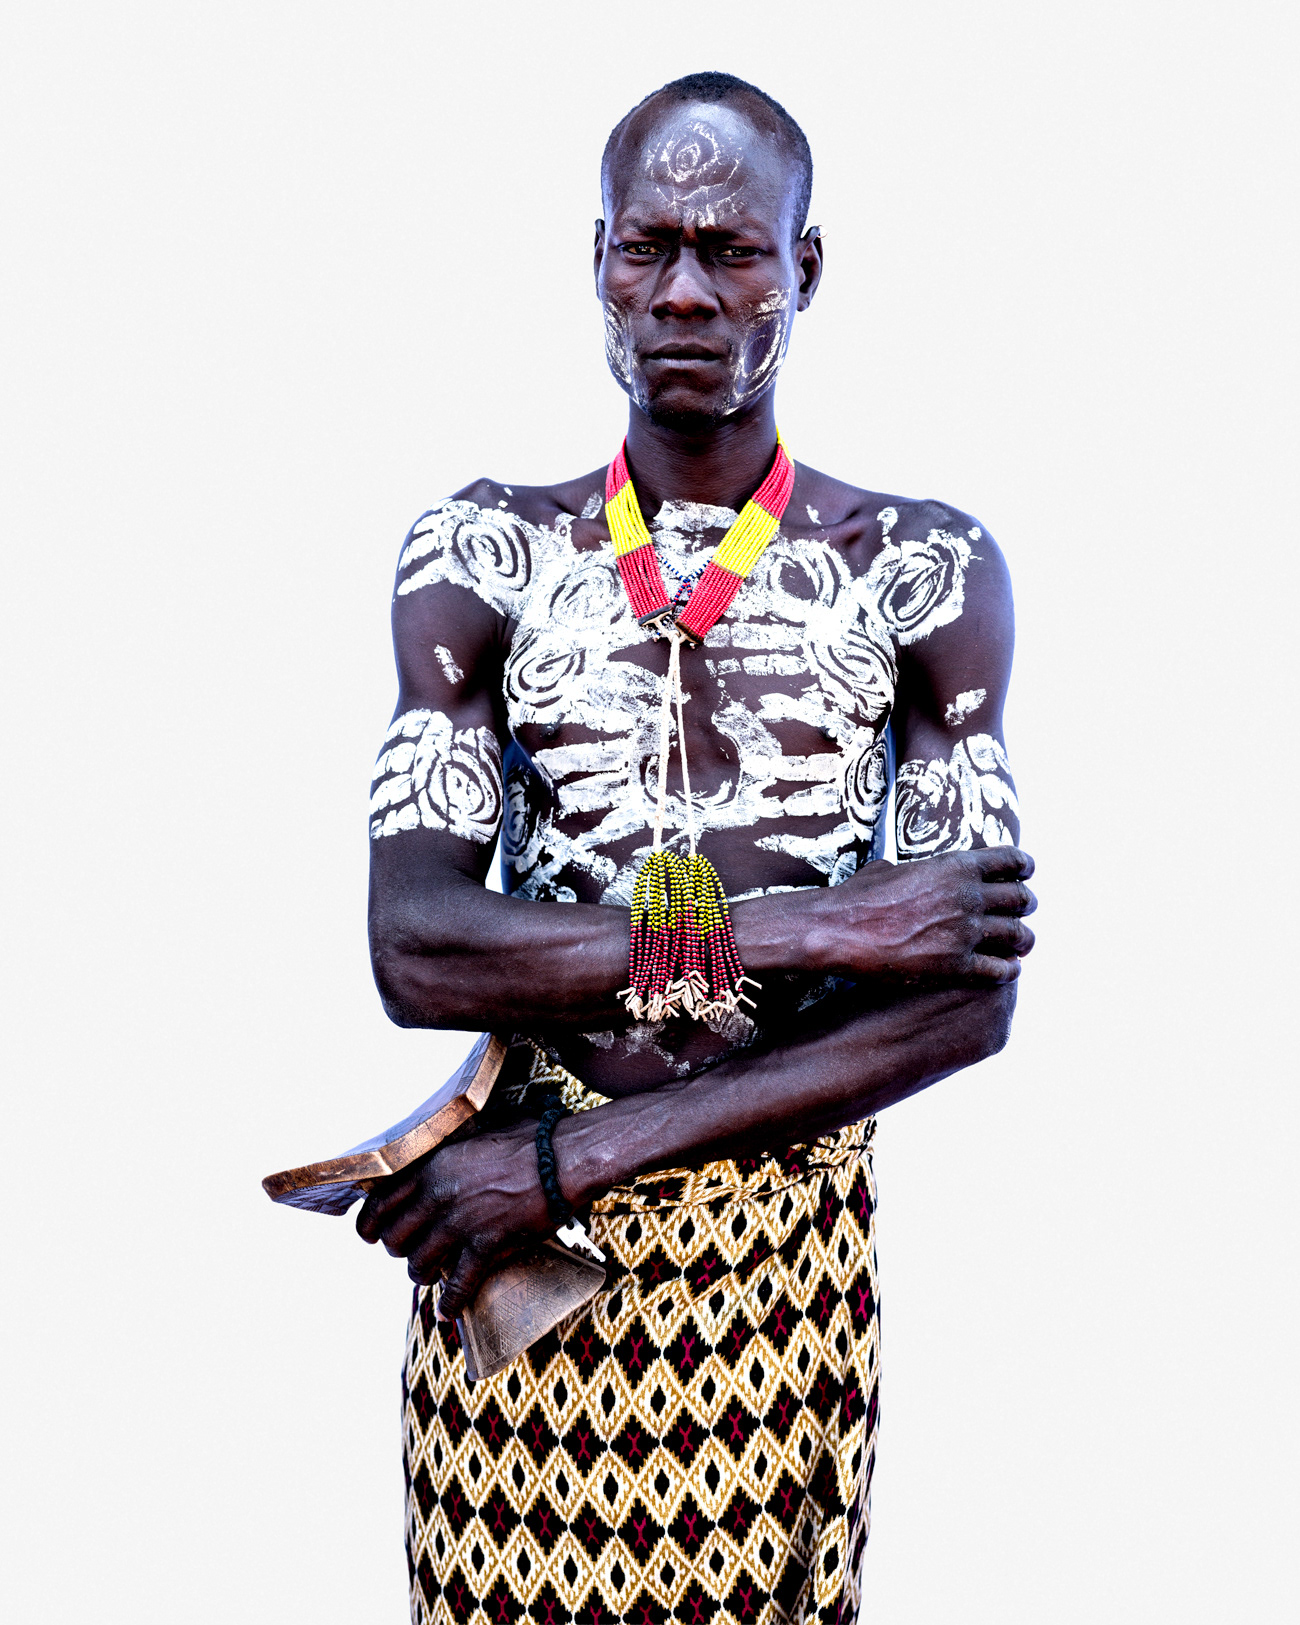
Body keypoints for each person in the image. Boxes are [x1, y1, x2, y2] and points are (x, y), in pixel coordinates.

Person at [357, 70, 1036, 1625]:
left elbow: (969, 991)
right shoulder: (484, 554)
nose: (683, 290)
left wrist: (571, 1156)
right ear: (593, 256)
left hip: (758, 1251)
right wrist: (826, 928)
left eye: (732, 250)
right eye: (646, 245)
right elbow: (417, 943)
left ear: (806, 268)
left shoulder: (921, 572)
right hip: (519, 1274)